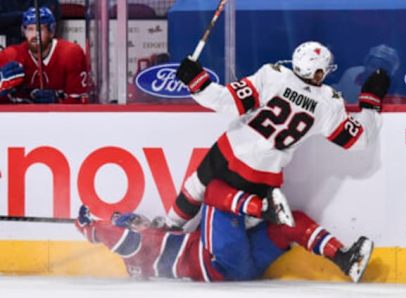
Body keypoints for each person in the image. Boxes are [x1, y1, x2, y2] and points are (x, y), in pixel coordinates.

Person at [167, 41, 389, 230]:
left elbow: (228, 102)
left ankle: (170, 226)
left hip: (231, 151)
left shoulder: (273, 76)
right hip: (266, 172)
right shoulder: (329, 104)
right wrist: (370, 103)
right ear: (318, 73)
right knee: (240, 222)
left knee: (197, 186)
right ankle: (261, 209)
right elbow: (358, 140)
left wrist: (196, 82)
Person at [75, 179, 373, 282]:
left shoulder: (149, 248)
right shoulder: (138, 249)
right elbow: (120, 238)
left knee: (289, 224)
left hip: (243, 269)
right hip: (214, 263)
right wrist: (89, 227)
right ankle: (263, 208)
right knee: (215, 191)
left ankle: (345, 259)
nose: (145, 222)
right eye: (136, 221)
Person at [0, 6, 88, 104]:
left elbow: (82, 100)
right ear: (24, 32)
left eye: (40, 29)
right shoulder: (10, 55)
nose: (34, 35)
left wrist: (58, 100)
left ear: (51, 32)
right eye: (30, 29)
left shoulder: (71, 53)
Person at [334, 44, 399, 104]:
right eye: (373, 65)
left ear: (389, 73)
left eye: (381, 68)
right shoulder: (351, 74)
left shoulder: (390, 90)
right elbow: (338, 93)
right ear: (366, 63)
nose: (375, 70)